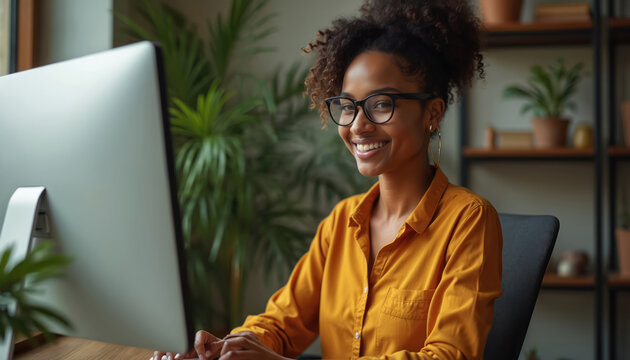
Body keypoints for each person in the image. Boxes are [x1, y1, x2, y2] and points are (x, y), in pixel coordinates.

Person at [153, 0, 502, 359]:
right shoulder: (342, 222)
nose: (357, 125)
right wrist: (226, 347)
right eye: (348, 106)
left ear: (432, 112)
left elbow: (449, 355)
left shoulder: (469, 220)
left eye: (381, 104)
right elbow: (280, 323)